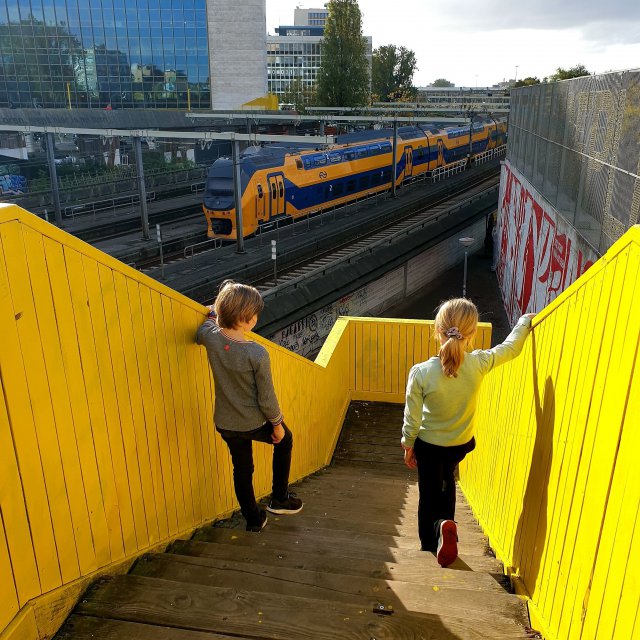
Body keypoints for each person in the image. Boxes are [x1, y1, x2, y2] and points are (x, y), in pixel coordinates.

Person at [401, 298, 534, 567]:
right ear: (472, 333)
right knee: (448, 478)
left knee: (428, 493)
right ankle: (447, 525)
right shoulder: (480, 363)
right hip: (459, 443)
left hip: (428, 444)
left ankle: (429, 543)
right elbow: (510, 349)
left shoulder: (422, 373)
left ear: (437, 330)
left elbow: (412, 418)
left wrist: (408, 444)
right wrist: (523, 322)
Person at [197, 280, 303, 532]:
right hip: (252, 422)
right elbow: (267, 399)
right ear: (246, 320)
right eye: (254, 314)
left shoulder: (210, 338)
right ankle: (279, 499)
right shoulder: (256, 353)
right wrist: (276, 425)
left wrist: (215, 310)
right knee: (285, 440)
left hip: (224, 422)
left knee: (242, 469)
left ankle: (254, 519)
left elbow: (206, 326)